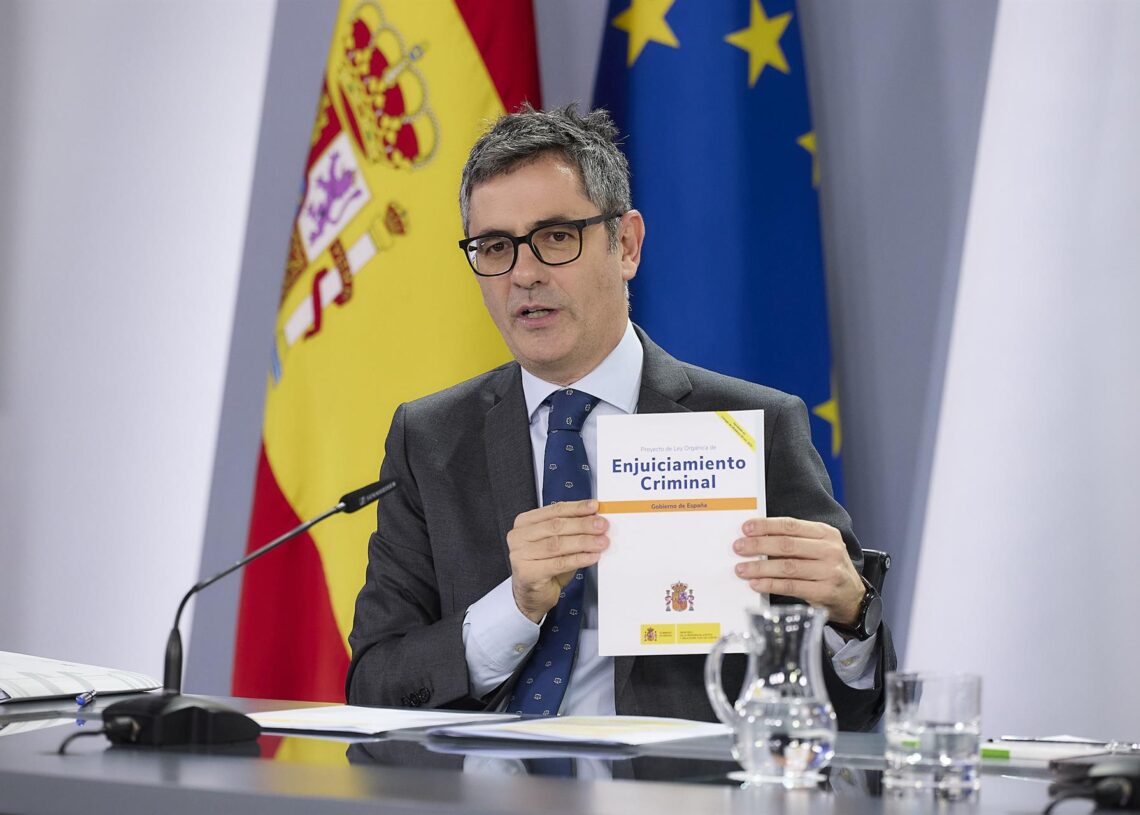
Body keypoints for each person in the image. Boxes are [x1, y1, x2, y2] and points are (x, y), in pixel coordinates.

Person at [346, 105, 895, 731]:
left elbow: (851, 710)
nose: (523, 273)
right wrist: (514, 607)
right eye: (495, 246)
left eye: (556, 237)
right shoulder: (431, 439)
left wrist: (851, 616)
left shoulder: (755, 426)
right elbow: (375, 685)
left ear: (626, 244)